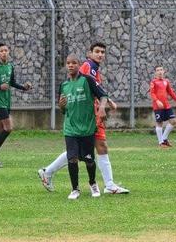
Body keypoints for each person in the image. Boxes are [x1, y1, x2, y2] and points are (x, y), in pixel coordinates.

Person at [38, 42, 129, 195]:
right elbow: (87, 87)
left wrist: (107, 101)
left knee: (87, 149)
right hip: (88, 116)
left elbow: (97, 89)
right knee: (97, 146)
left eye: (102, 52)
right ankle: (108, 185)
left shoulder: (93, 68)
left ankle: (48, 171)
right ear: (89, 54)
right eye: (97, 52)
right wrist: (100, 108)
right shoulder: (87, 67)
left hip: (91, 114)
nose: (100, 54)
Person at [59, 54, 109, 199]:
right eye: (68, 63)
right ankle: (75, 189)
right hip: (70, 128)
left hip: (87, 128)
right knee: (72, 159)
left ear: (79, 65)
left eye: (74, 63)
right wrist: (61, 106)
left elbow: (103, 95)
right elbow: (63, 110)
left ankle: (93, 183)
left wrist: (101, 108)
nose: (70, 65)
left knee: (88, 160)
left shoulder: (88, 80)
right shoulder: (63, 85)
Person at [0, 43, 32, 168]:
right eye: (1, 51)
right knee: (8, 128)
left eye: (6, 50)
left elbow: (12, 82)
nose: (4, 52)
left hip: (7, 102)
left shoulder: (10, 66)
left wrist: (23, 88)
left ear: (8, 52)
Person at [149, 65, 176, 148]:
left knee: (173, 121)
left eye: (161, 70)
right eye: (158, 70)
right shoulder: (153, 82)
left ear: (164, 71)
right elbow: (152, 93)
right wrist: (157, 101)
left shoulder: (166, 82)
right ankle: (161, 143)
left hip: (167, 106)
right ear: (155, 72)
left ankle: (164, 139)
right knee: (159, 123)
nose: (160, 71)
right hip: (158, 106)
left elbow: (171, 93)